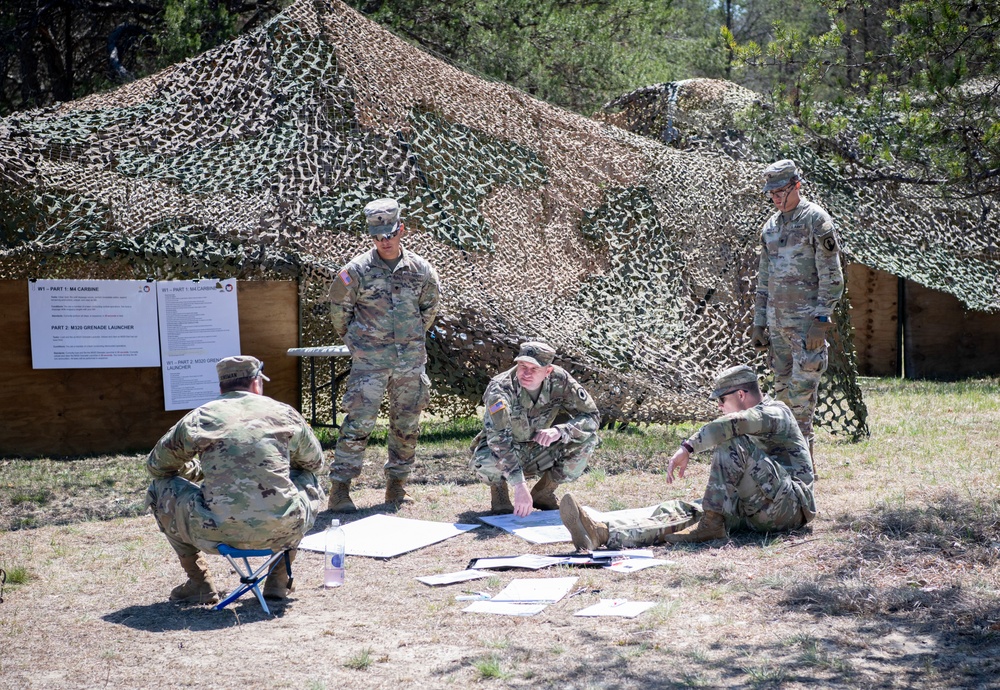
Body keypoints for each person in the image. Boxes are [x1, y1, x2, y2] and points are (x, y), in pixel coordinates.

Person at [559, 364, 815, 550]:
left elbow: (729, 425)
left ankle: (712, 524)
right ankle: (602, 531)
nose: (719, 406)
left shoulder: (774, 412)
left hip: (789, 508)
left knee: (732, 443)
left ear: (741, 394)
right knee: (685, 510)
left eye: (722, 399)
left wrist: (688, 448)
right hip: (756, 505)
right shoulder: (756, 416)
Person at [145, 356, 326, 604]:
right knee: (308, 478)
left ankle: (199, 581)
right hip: (282, 529)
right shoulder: (284, 415)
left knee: (159, 488)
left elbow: (157, 466)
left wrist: (200, 471)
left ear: (221, 387)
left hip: (212, 530)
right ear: (256, 383)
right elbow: (315, 464)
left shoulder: (200, 418)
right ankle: (279, 578)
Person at [327, 197, 441, 512]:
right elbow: (339, 309)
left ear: (401, 230)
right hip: (370, 362)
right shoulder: (356, 270)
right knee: (358, 423)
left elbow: (429, 308)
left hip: (409, 361)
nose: (384, 241)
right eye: (377, 237)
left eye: (389, 234)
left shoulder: (421, 269)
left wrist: (408, 339)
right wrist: (357, 342)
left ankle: (396, 488)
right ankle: (340, 491)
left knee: (407, 424)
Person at [750, 159, 844, 459]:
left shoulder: (816, 220)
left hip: (807, 331)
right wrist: (759, 322)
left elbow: (833, 275)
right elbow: (764, 278)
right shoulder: (771, 227)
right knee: (782, 407)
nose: (776, 198)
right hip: (778, 332)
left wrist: (821, 318)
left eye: (782, 191)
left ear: (797, 186)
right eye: (772, 193)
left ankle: (804, 477)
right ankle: (786, 473)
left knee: (801, 407)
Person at [470, 341, 600, 516]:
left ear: (548, 371)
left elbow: (592, 416)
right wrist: (518, 485)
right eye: (522, 366)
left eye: (534, 368)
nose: (526, 373)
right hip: (508, 448)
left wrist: (561, 431)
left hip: (540, 447)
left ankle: (544, 492)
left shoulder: (560, 381)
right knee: (485, 459)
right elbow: (498, 439)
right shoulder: (500, 388)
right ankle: (499, 491)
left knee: (588, 439)